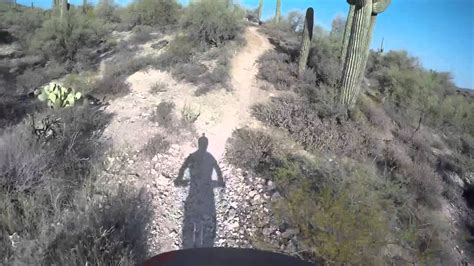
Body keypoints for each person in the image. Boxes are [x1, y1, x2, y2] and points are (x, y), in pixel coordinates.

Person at [175, 134, 225, 248]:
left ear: (199, 144)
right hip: (207, 192)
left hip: (194, 190)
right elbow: (218, 171)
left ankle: (190, 241)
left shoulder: (192, 156)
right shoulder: (210, 157)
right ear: (206, 145)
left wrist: (179, 179)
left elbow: (183, 168)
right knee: (205, 216)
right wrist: (220, 182)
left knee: (191, 216)